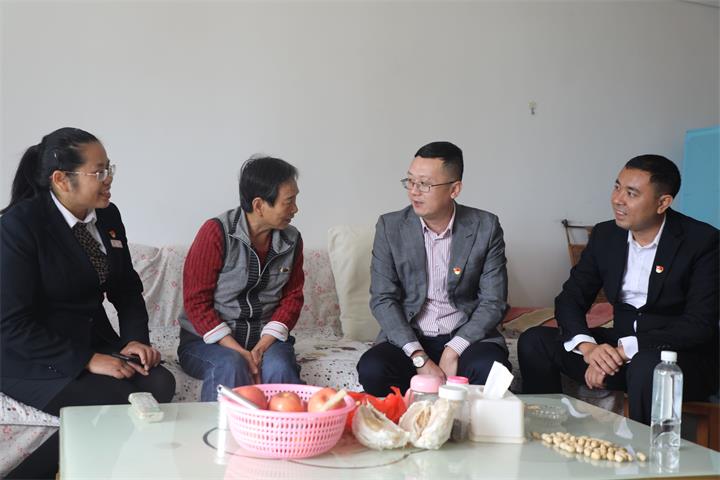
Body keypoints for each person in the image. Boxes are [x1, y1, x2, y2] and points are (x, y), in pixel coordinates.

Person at [0, 127, 175, 479]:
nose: (108, 179)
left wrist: (135, 340)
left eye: (109, 168)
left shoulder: (107, 217)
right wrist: (87, 360)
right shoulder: (19, 226)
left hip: (91, 340)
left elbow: (126, 289)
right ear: (62, 179)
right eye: (99, 172)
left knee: (160, 383)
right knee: (115, 399)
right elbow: (10, 324)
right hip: (30, 357)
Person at [518, 155, 719, 425]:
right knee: (535, 341)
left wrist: (624, 351)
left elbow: (699, 325)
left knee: (647, 366)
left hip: (677, 356)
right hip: (619, 349)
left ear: (662, 203)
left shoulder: (702, 241)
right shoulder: (606, 235)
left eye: (631, 193)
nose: (617, 199)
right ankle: (545, 433)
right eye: (617, 187)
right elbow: (570, 299)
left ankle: (642, 450)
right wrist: (589, 348)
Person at [357, 141, 511, 396]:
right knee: (373, 368)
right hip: (411, 337)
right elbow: (383, 299)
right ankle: (405, 422)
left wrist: (453, 350)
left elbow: (494, 301)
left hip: (465, 335)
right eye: (410, 181)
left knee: (490, 368)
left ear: (454, 189)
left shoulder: (485, 226)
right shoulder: (390, 227)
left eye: (425, 184)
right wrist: (419, 357)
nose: (414, 192)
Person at [177, 156, 304, 401]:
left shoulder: (292, 240)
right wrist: (239, 351)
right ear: (259, 205)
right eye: (289, 201)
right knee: (231, 365)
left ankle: (285, 426)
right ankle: (218, 427)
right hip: (207, 343)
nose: (295, 209)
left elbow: (292, 297)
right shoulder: (215, 233)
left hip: (265, 339)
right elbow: (196, 302)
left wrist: (263, 345)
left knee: (280, 367)